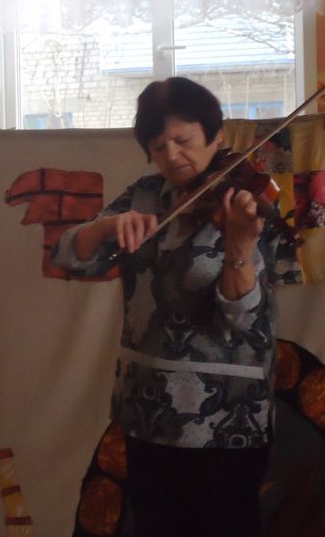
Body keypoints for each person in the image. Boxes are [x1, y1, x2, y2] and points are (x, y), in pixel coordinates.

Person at [53, 77, 278, 537]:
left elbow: (242, 318)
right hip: (147, 410)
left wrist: (238, 244)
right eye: (158, 147)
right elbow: (68, 255)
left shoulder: (245, 202)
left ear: (216, 134)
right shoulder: (145, 195)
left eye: (183, 140)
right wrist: (107, 226)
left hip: (225, 417)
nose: (172, 155)